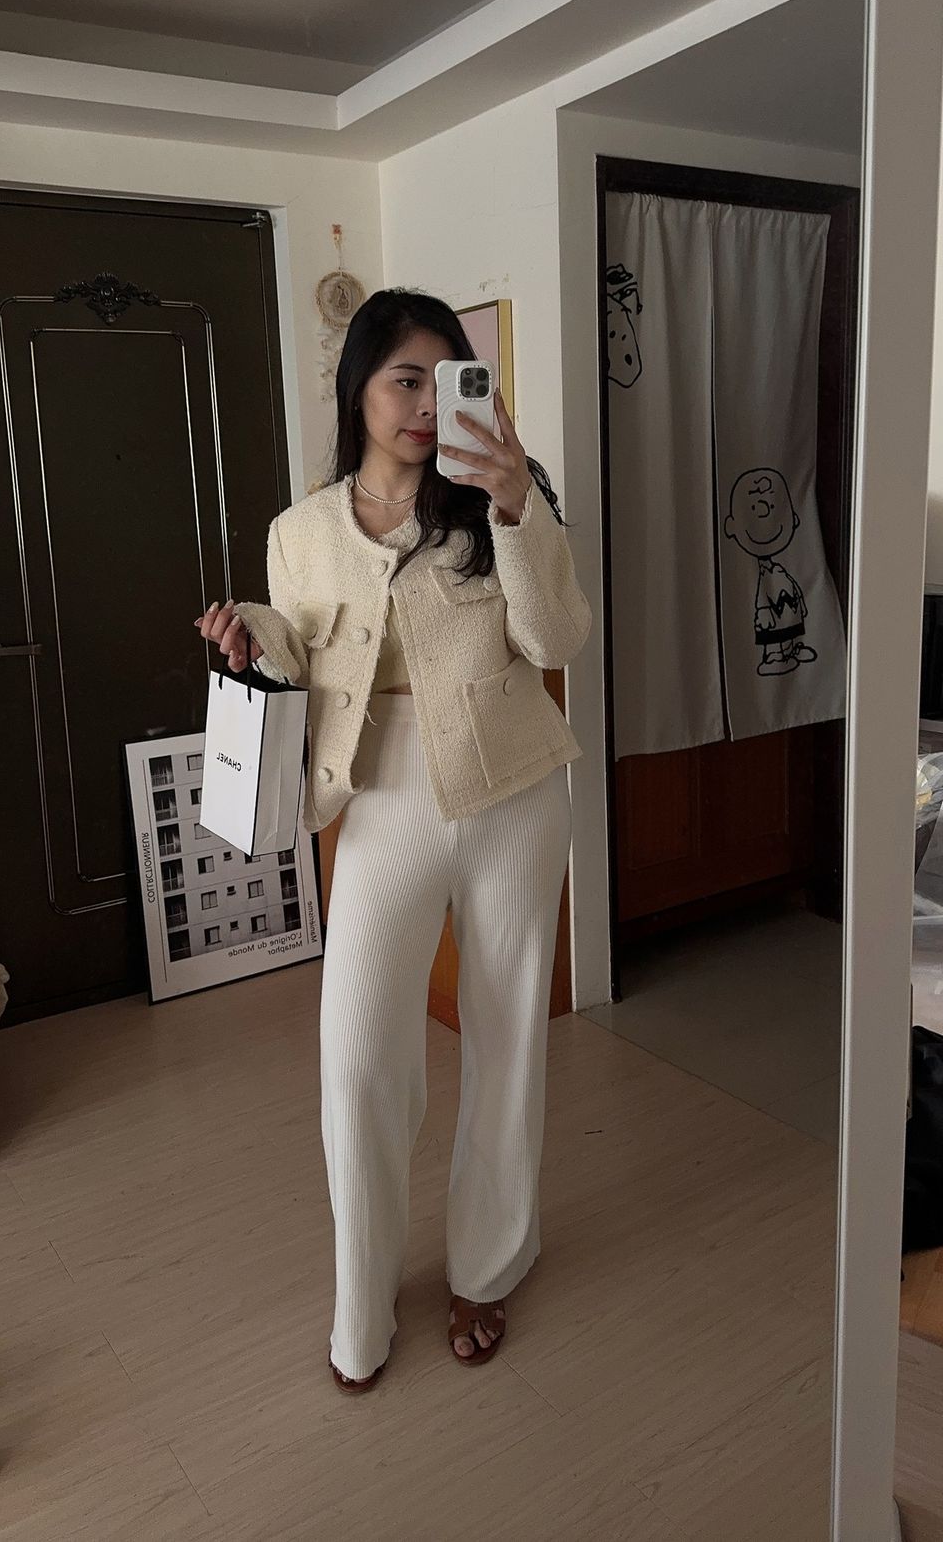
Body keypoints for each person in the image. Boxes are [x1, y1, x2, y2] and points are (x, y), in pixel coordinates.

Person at [195, 288, 590, 1391]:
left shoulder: (504, 494)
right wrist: (249, 635)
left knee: (506, 1037)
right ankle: (360, 1301)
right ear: (358, 392)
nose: (423, 404)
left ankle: (487, 1265)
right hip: (380, 799)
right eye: (403, 380)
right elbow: (303, 650)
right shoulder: (300, 531)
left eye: (443, 379)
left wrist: (514, 506)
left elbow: (557, 638)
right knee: (360, 1057)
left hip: (513, 793)